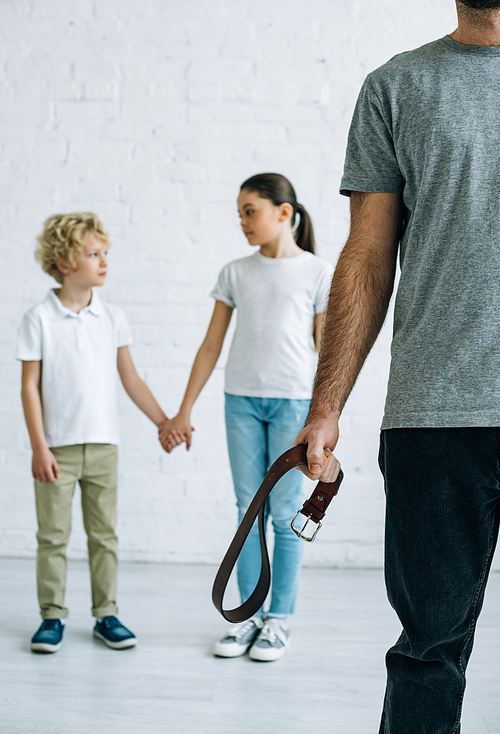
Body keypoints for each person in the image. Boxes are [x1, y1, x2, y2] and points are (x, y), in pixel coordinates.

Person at [294, 0, 500, 730]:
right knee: (429, 650)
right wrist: (326, 407)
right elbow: (368, 256)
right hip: (435, 417)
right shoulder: (397, 86)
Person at [159, 173, 333, 661]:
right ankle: (248, 616)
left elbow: (326, 351)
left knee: (283, 515)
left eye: (250, 210)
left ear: (284, 213)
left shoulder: (318, 273)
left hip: (294, 405)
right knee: (245, 511)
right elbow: (211, 344)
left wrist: (326, 414)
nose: (242, 222)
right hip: (239, 401)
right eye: (238, 213)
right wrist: (184, 409)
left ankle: (279, 620)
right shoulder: (235, 272)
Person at [18, 212, 184, 653]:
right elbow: (29, 388)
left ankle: (105, 614)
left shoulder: (112, 317)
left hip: (104, 447)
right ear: (64, 262)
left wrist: (164, 422)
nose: (104, 261)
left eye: (105, 252)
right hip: (56, 449)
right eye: (94, 254)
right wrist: (39, 446)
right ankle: (51, 616)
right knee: (52, 536)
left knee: (103, 536)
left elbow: (131, 379)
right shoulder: (39, 319)